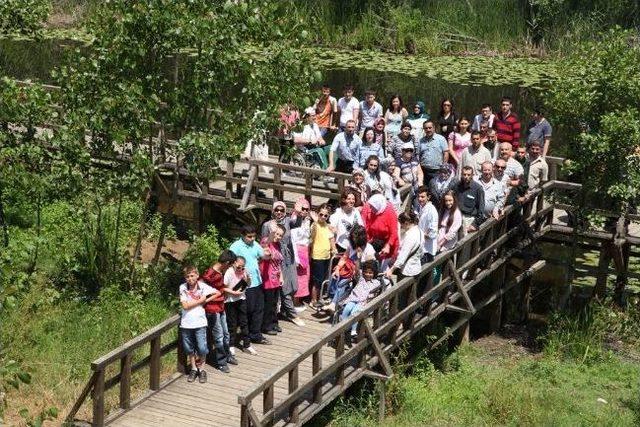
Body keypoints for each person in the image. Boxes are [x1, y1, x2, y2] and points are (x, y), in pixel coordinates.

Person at [261, 202, 302, 327]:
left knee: (294, 285)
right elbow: (263, 243)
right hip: (276, 259)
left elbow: (298, 223)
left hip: (289, 257)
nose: (279, 212)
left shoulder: (288, 221)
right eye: (277, 210)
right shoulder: (267, 225)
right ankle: (292, 313)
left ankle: (284, 310)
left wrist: (298, 213)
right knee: (285, 288)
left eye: (282, 210)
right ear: (273, 211)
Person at [229, 225, 270, 345]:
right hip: (245, 283)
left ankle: (256, 334)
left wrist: (268, 255)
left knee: (259, 309)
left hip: (257, 281)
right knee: (248, 310)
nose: (252, 239)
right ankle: (244, 334)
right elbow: (230, 261)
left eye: (254, 236)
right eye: (249, 236)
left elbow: (262, 255)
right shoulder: (236, 246)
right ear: (242, 235)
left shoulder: (255, 244)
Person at [322, 225, 376, 313]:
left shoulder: (368, 249)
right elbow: (344, 257)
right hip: (348, 269)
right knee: (335, 275)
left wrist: (359, 257)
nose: (354, 239)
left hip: (361, 274)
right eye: (353, 236)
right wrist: (338, 268)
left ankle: (333, 303)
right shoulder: (351, 246)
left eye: (356, 237)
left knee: (343, 282)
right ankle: (332, 299)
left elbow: (369, 268)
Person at [200, 250, 237, 373]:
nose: (230, 267)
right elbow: (201, 286)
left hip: (221, 306)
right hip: (212, 308)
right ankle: (221, 362)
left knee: (226, 333)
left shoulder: (220, 271)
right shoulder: (210, 274)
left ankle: (227, 355)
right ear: (226, 263)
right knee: (219, 336)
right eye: (230, 265)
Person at [179, 265, 218, 383]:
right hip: (186, 323)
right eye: (187, 276)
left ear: (197, 275)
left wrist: (205, 301)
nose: (190, 279)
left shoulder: (202, 286)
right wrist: (200, 301)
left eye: (192, 276)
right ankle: (193, 368)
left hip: (200, 322)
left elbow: (217, 293)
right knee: (189, 348)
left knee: (202, 347)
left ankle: (202, 369)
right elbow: (185, 305)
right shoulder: (183, 288)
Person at [224, 255, 257, 357]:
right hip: (230, 300)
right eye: (239, 267)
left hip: (241, 298)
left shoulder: (244, 271)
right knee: (232, 323)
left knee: (244, 321)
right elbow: (223, 288)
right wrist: (234, 293)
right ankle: (231, 345)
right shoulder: (229, 272)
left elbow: (248, 284)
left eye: (242, 267)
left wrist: (247, 278)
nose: (240, 269)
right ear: (234, 263)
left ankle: (247, 344)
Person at [340, 260, 381, 339]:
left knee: (354, 312)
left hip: (363, 302)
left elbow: (378, 289)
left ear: (374, 273)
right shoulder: (361, 279)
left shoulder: (376, 282)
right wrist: (358, 260)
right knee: (347, 308)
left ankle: (353, 330)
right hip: (354, 298)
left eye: (370, 273)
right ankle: (342, 326)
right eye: (366, 272)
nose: (367, 274)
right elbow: (357, 272)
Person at [361, 193, 399, 270]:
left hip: (389, 245)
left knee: (383, 269)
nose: (370, 209)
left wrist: (388, 246)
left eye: (372, 207)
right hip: (376, 243)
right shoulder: (374, 212)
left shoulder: (389, 212)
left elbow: (394, 232)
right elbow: (369, 228)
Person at [260, 225, 286, 336]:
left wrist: (281, 276)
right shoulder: (267, 242)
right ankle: (266, 326)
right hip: (267, 277)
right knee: (268, 303)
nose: (278, 236)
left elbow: (279, 263)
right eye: (277, 234)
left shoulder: (278, 245)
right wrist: (272, 232)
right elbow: (267, 241)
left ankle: (274, 322)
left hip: (276, 277)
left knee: (275, 302)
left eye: (280, 235)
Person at [309, 204, 336, 307]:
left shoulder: (327, 226)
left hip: (326, 256)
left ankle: (320, 298)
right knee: (317, 280)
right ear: (318, 214)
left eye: (326, 215)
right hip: (317, 256)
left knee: (323, 279)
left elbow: (331, 238)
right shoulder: (314, 225)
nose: (323, 217)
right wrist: (315, 219)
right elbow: (313, 233)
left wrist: (334, 249)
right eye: (321, 214)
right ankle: (313, 300)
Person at [289, 197, 312, 310]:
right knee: (297, 277)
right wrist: (296, 258)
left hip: (305, 250)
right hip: (297, 251)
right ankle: (294, 301)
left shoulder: (307, 220)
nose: (305, 211)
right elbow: (293, 240)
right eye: (303, 208)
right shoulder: (294, 220)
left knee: (304, 278)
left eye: (307, 209)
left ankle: (298, 301)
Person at [386, 211, 423, 280]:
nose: (401, 226)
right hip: (417, 267)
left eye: (401, 224)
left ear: (406, 223)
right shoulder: (420, 231)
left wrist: (391, 270)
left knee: (403, 289)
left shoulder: (410, 236)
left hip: (407, 271)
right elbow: (421, 253)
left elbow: (402, 257)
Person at [453, 166, 486, 235]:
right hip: (457, 217)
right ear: (461, 175)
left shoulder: (478, 189)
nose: (466, 177)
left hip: (469, 219)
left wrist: (475, 224)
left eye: (468, 175)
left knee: (466, 243)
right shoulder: (457, 186)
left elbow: (481, 208)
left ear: (472, 175)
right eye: (464, 174)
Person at [417, 120, 449, 185]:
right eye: (426, 128)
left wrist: (444, 166)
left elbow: (446, 153)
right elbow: (418, 155)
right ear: (424, 129)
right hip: (424, 170)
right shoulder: (421, 141)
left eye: (430, 128)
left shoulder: (441, 139)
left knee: (435, 190)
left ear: (434, 128)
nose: (428, 130)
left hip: (437, 170)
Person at [415, 186, 439, 263]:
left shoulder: (432, 210)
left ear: (428, 197)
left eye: (422, 197)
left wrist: (421, 236)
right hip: (421, 247)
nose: (420, 199)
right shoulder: (421, 207)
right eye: (418, 196)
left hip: (427, 250)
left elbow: (433, 232)